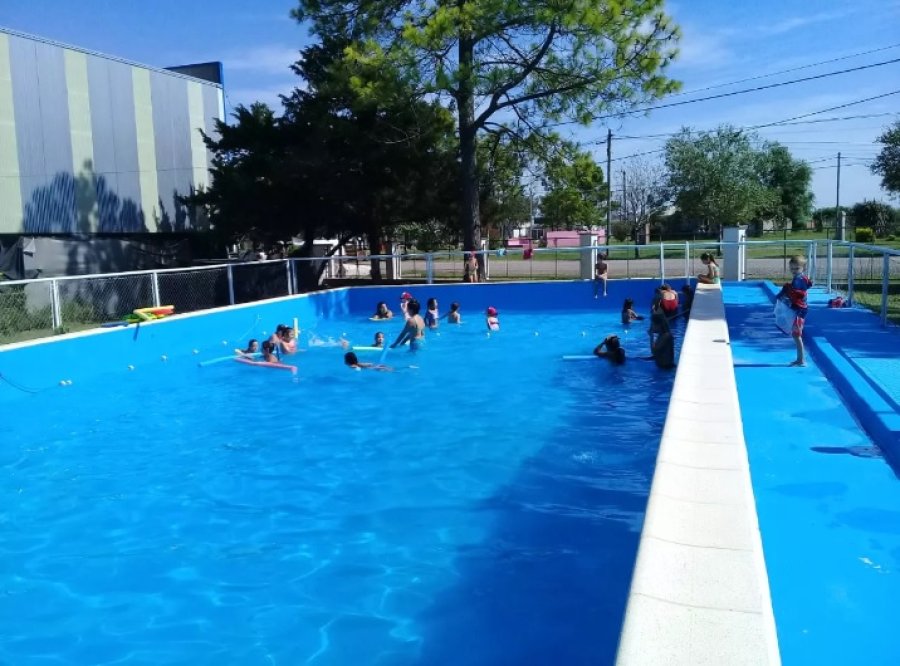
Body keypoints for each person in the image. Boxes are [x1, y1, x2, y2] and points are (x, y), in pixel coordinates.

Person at [778, 255, 813, 367]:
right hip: (800, 309)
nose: (794, 271)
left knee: (797, 335)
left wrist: (788, 290)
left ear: (803, 268)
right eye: (792, 269)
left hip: (799, 311)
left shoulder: (799, 280)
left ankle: (801, 360)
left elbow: (798, 293)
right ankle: (800, 359)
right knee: (796, 334)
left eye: (796, 269)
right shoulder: (801, 278)